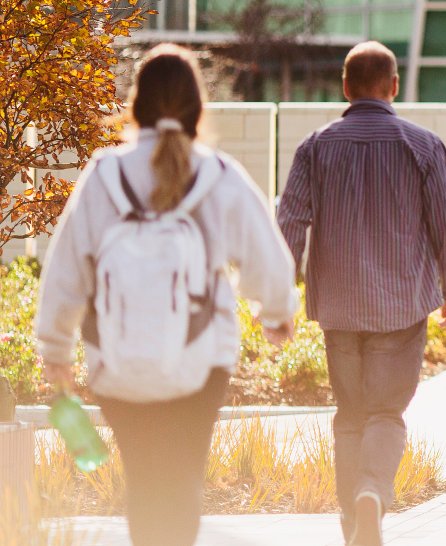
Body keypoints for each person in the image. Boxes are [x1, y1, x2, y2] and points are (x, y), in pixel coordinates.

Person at [37, 44, 298, 546]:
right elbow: (268, 256)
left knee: (143, 483)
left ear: (135, 105)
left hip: (116, 362)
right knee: (182, 480)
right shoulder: (219, 175)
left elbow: (67, 266)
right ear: (199, 108)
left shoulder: (104, 173)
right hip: (201, 362)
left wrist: (54, 349)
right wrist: (277, 314)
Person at [277, 41, 446, 546]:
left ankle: (351, 522)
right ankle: (372, 493)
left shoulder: (315, 146)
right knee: (386, 413)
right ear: (394, 86)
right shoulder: (423, 145)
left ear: (345, 86)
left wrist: (282, 293)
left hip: (338, 307)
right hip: (401, 306)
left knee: (350, 415)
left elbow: (290, 221)